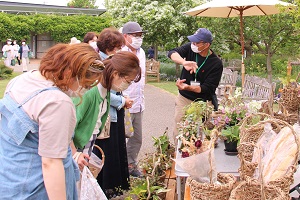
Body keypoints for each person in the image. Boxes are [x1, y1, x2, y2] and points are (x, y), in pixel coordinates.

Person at [0, 43, 103, 199]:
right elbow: (51, 163)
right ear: (69, 72)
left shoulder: (21, 80)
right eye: (85, 84)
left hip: (10, 178)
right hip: (37, 187)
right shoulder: (57, 102)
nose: (85, 90)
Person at [72, 51, 141, 174]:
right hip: (74, 151)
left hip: (85, 148)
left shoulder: (106, 91)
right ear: (115, 74)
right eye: (128, 81)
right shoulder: (89, 92)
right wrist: (75, 153)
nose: (128, 85)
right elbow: (67, 129)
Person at [168, 28, 223, 140]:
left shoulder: (216, 63)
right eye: (192, 41)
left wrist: (189, 87)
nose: (193, 44)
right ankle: (179, 154)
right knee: (180, 130)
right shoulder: (190, 48)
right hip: (185, 99)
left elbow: (207, 88)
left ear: (206, 44)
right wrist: (184, 62)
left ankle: (201, 156)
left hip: (204, 102)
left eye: (196, 42)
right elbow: (172, 53)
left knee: (204, 134)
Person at [121, 21, 147, 177]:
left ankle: (131, 164)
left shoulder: (141, 52)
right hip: (123, 103)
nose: (139, 38)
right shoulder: (120, 53)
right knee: (119, 137)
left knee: (137, 137)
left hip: (138, 103)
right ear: (125, 36)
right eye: (135, 35)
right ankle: (119, 167)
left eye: (140, 35)